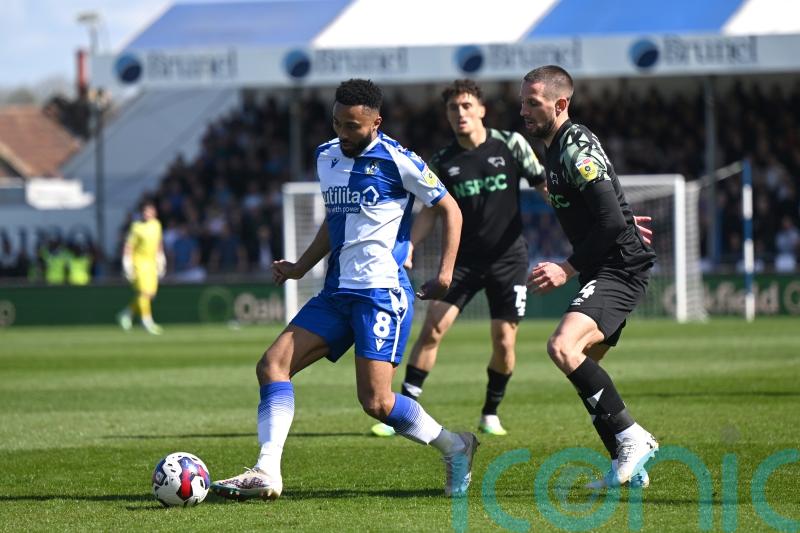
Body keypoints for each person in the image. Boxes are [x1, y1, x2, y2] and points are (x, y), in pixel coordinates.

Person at [211, 78, 478, 501]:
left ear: (376, 123)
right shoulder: (326, 156)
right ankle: (267, 470)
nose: (343, 133)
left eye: (352, 126)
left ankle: (455, 445)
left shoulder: (398, 159)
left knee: (376, 403)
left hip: (381, 295)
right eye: (337, 123)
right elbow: (334, 222)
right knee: (272, 366)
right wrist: (301, 267)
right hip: (337, 292)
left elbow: (450, 208)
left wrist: (445, 272)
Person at [371, 79, 547, 438]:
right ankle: (401, 412)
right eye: (453, 108)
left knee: (504, 341)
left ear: (481, 109)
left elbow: (544, 185)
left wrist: (577, 214)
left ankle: (490, 412)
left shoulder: (512, 145)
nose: (460, 113)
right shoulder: (442, 160)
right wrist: (411, 246)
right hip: (462, 261)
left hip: (508, 260)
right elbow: (431, 211)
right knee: (432, 329)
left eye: (467, 106)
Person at [520, 65, 658, 489]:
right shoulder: (553, 148)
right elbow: (606, 207)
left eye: (533, 103)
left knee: (562, 346)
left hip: (618, 264)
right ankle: (626, 463)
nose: (524, 111)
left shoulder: (575, 143)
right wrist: (621, 218)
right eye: (522, 102)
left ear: (560, 104)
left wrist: (566, 267)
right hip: (608, 262)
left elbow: (611, 221)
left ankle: (634, 439)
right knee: (584, 364)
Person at [116, 200, 166, 335]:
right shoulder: (136, 227)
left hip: (151, 263)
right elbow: (129, 246)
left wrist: (161, 259)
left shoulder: (157, 225)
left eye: (150, 211)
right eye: (145, 211)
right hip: (139, 262)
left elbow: (158, 243)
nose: (147, 214)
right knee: (143, 292)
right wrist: (127, 264)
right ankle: (147, 322)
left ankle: (126, 314)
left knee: (150, 295)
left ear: (154, 213)